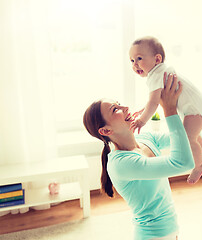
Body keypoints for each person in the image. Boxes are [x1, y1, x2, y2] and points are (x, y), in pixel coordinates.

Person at [83, 73, 194, 240]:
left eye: (118, 104)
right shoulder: (121, 164)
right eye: (115, 110)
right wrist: (169, 109)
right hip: (153, 236)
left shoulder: (146, 138)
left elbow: (186, 134)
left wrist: (179, 100)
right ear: (105, 131)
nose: (125, 108)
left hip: (172, 228)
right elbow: (183, 163)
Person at [129, 36, 202, 184]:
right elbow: (155, 100)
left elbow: (154, 102)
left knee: (188, 138)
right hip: (197, 108)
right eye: (132, 61)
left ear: (157, 58)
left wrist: (141, 121)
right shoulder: (161, 71)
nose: (135, 65)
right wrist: (144, 109)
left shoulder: (156, 75)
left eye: (139, 58)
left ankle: (198, 166)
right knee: (193, 133)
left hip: (194, 111)